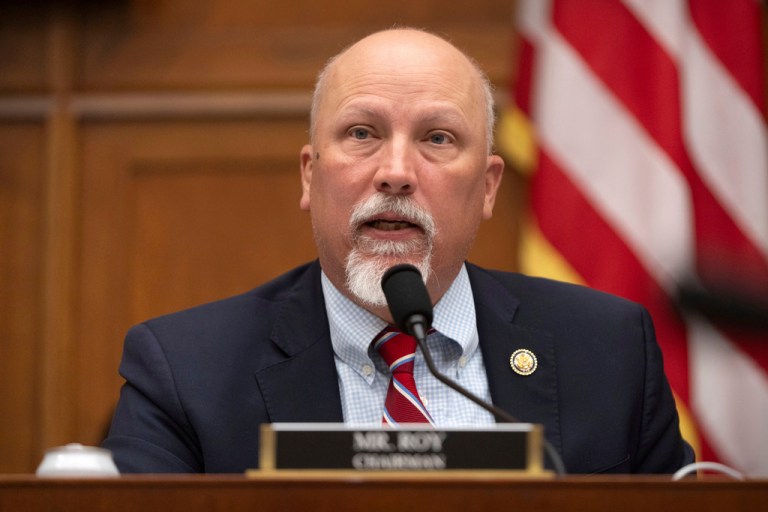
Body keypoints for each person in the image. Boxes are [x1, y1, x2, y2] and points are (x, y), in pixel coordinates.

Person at [103, 28, 694, 474]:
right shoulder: (184, 371)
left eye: (438, 138)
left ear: (488, 188)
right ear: (310, 177)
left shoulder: (609, 354)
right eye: (362, 133)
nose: (395, 172)